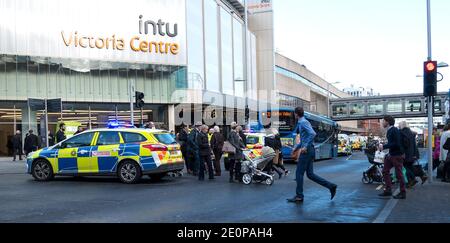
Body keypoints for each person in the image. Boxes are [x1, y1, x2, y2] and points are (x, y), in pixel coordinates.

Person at [288, 107, 337, 203]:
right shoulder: (303, 122)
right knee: (310, 174)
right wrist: (296, 148)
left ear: (296, 114)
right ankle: (331, 186)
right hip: (309, 150)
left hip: (306, 151)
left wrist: (305, 147)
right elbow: (304, 139)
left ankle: (299, 196)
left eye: (294, 114)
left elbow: (312, 134)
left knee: (299, 173)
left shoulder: (303, 122)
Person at [378, 116, 407, 200]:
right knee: (385, 171)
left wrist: (384, 146)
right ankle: (388, 190)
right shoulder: (390, 130)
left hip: (397, 155)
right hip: (392, 154)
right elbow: (393, 143)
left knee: (399, 174)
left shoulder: (393, 130)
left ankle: (403, 192)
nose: (382, 122)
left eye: (383, 121)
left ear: (387, 122)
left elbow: (396, 144)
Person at [399, 121, 427, 187]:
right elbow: (414, 145)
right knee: (410, 167)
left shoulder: (402, 133)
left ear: (401, 126)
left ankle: (412, 180)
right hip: (413, 153)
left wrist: (402, 151)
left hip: (406, 154)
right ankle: (421, 176)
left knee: (405, 167)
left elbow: (405, 144)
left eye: (399, 126)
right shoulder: (411, 133)